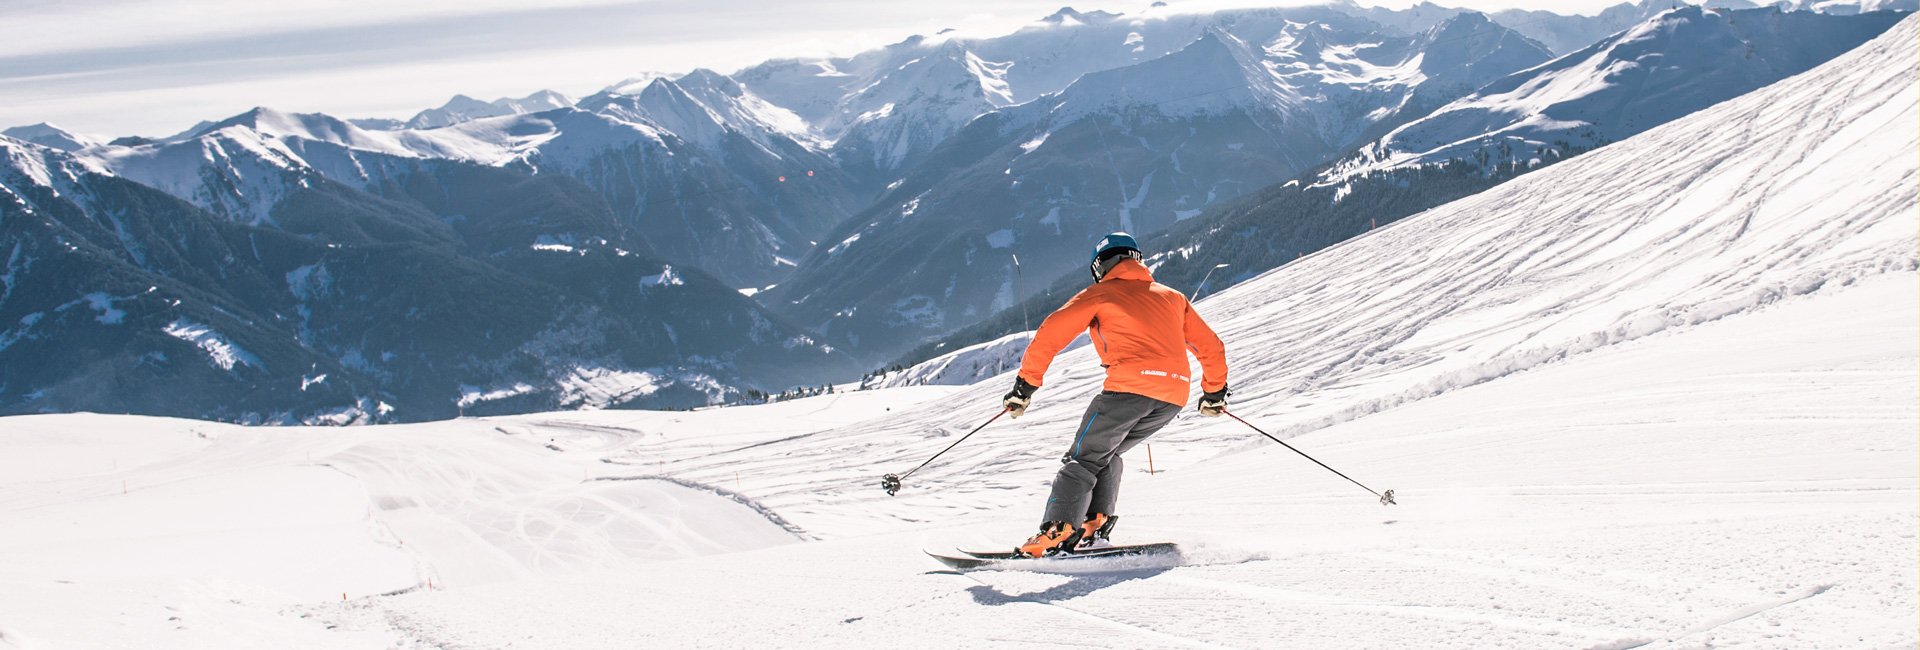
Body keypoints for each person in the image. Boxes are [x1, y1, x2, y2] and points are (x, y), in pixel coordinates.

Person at [1002, 232, 1229, 557]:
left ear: (1100, 266)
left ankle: (1057, 532)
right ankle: (1094, 526)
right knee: (1106, 454)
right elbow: (1210, 347)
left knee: (1082, 459)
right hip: (1172, 395)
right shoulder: (1172, 297)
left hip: (1127, 390)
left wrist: (1025, 386)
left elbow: (1051, 332)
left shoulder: (1101, 294)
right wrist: (1214, 392)